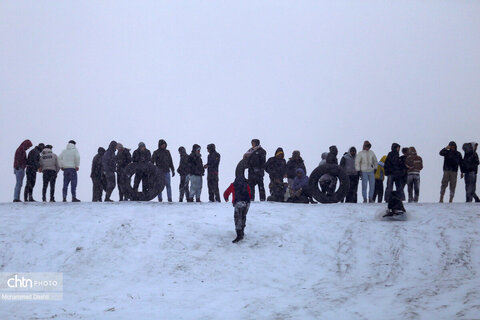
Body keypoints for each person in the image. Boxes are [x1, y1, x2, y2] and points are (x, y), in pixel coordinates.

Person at [224, 176, 252, 243]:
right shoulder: (246, 184)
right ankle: (242, 231)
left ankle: (239, 235)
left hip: (239, 202)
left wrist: (226, 198)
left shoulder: (233, 184)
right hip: (247, 203)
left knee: (237, 218)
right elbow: (250, 195)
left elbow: (226, 193)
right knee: (243, 217)